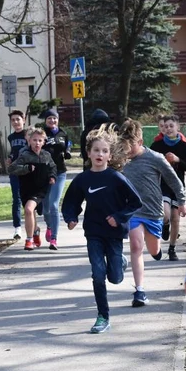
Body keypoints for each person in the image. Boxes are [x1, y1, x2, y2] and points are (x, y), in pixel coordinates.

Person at [62, 126, 143, 334]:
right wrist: (71, 217)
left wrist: (118, 217)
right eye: (96, 150)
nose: (100, 154)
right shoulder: (83, 179)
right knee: (98, 275)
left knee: (115, 277)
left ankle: (121, 262)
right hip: (94, 233)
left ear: (110, 155)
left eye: (104, 151)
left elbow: (135, 202)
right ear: (88, 153)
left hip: (114, 234)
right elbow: (71, 201)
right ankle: (102, 316)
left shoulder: (116, 178)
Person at [121, 119, 186, 307]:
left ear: (140, 141)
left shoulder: (155, 158)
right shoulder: (120, 160)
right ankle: (139, 291)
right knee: (136, 246)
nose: (127, 151)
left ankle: (158, 250)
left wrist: (182, 202)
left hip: (153, 212)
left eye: (130, 147)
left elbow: (174, 181)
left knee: (153, 249)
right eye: (124, 146)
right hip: (133, 211)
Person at [151, 114, 186, 261]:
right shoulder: (157, 145)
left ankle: (172, 248)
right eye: (166, 126)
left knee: (176, 219)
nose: (168, 129)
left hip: (178, 186)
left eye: (171, 126)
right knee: (166, 214)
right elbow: (149, 163)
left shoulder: (183, 146)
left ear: (177, 128)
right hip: (162, 185)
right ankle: (165, 224)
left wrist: (177, 160)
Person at [9, 127, 57, 250]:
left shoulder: (46, 155)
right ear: (29, 141)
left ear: (44, 142)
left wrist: (52, 176)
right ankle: (35, 232)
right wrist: (26, 169)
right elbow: (12, 169)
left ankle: (29, 240)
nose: (37, 143)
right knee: (30, 212)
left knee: (29, 210)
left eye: (40, 140)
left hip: (40, 189)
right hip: (26, 189)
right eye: (34, 140)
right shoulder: (25, 155)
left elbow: (53, 167)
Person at [41, 109, 72, 250]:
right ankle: (49, 226)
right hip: (44, 174)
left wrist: (67, 152)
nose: (52, 121)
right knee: (45, 208)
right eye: (49, 119)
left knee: (54, 205)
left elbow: (68, 144)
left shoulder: (62, 133)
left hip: (59, 173)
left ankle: (54, 238)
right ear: (45, 121)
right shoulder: (42, 134)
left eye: (54, 118)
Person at [6, 110, 29, 239]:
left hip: (27, 171)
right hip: (15, 171)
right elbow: (14, 152)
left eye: (18, 119)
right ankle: (17, 228)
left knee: (29, 199)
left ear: (23, 120)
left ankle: (33, 225)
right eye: (13, 120)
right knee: (16, 199)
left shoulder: (29, 134)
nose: (15, 122)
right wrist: (10, 158)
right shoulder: (11, 137)